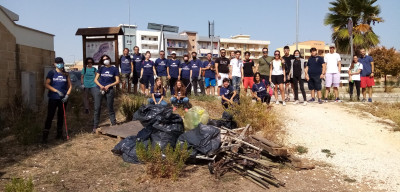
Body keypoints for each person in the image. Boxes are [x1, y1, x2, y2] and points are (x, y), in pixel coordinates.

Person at [42, 57, 72, 143]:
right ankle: (45, 136)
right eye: (58, 62)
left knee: (61, 116)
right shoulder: (51, 73)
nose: (60, 64)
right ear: (54, 64)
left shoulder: (66, 74)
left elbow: (70, 86)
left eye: (61, 62)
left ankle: (59, 134)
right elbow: (46, 84)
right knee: (50, 116)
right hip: (53, 98)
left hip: (63, 99)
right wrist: (56, 91)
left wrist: (67, 95)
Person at [93, 55, 120, 132]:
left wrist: (109, 85)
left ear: (109, 59)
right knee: (97, 108)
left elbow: (117, 81)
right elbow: (95, 79)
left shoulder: (114, 69)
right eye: (103, 59)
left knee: (110, 107)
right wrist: (100, 86)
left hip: (109, 90)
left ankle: (113, 123)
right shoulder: (101, 68)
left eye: (106, 59)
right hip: (100, 89)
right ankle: (95, 125)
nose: (105, 60)